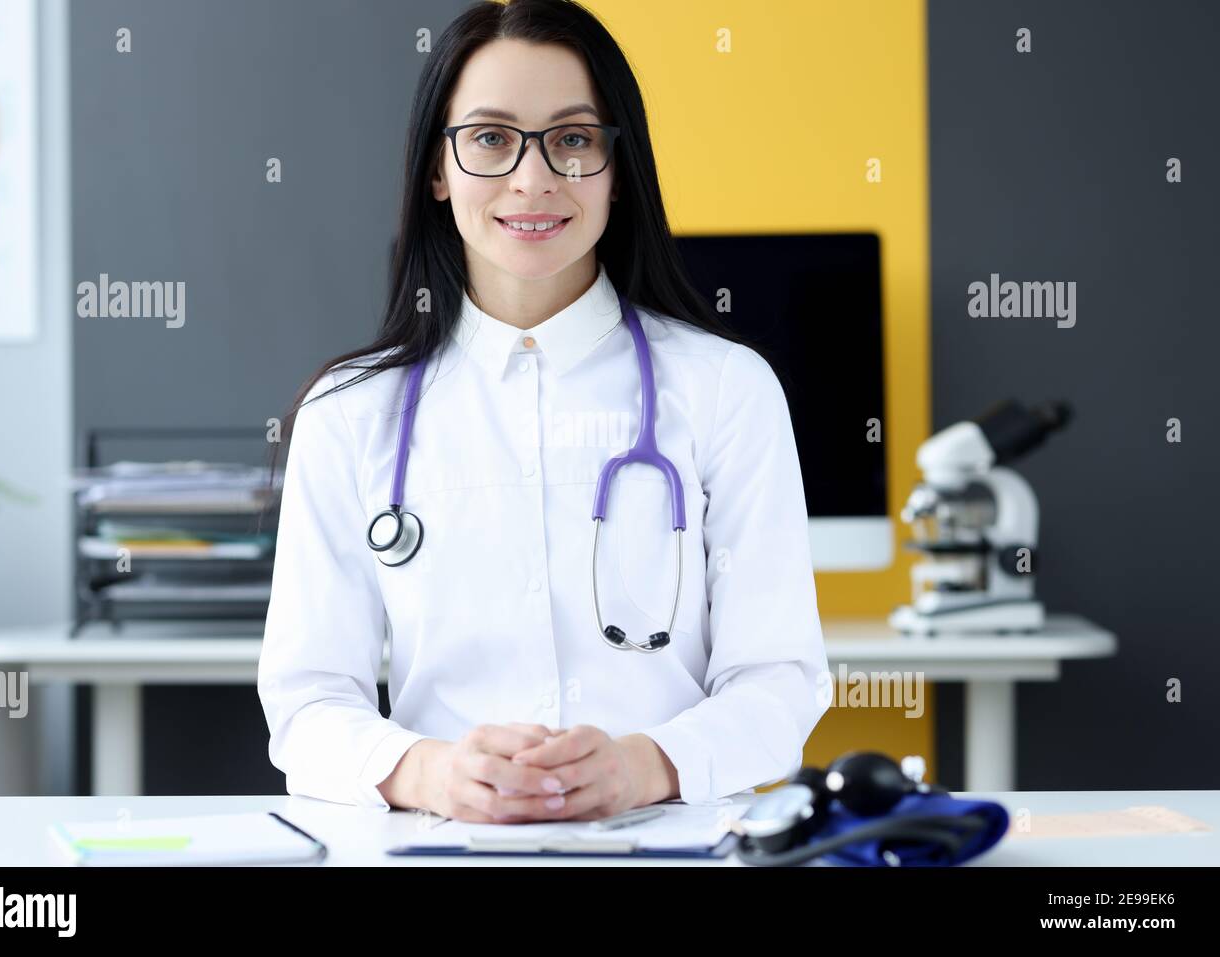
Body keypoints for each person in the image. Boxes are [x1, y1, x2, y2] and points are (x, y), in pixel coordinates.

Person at [257, 0, 829, 824]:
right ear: (437, 169)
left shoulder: (726, 389)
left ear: (618, 167)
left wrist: (645, 765)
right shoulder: (349, 414)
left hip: (671, 842)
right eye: (491, 138)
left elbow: (780, 681)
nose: (534, 179)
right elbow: (305, 702)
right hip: (440, 846)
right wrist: (427, 773)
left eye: (573, 139)